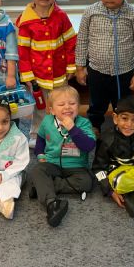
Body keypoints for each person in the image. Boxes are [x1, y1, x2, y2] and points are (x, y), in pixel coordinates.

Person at [75, 0, 134, 136]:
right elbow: (82, 40)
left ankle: (123, 127)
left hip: (124, 72)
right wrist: (80, 67)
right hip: (96, 71)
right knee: (96, 103)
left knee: (122, 104)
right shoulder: (90, 12)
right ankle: (95, 126)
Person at [16, 0, 76, 148]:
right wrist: (27, 75)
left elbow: (70, 42)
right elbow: (23, 51)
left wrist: (71, 66)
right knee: (40, 107)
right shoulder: (25, 22)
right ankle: (36, 134)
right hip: (38, 76)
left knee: (62, 105)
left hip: (59, 73)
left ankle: (61, 132)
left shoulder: (61, 16)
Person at [28, 85, 95, 227]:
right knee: (37, 170)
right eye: (61, 104)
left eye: (72, 103)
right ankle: (52, 203)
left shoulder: (84, 123)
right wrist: (40, 154)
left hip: (77, 166)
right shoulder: (47, 122)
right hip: (52, 163)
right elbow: (40, 139)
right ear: (52, 110)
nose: (67, 107)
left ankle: (44, 187)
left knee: (87, 183)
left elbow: (89, 146)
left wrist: (72, 129)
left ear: (78, 106)